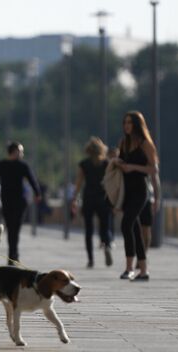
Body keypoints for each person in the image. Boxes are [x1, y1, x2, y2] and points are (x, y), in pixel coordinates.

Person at [111, 111, 160, 281]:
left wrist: (133, 167)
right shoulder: (123, 143)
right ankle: (143, 270)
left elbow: (154, 170)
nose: (126, 126)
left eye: (130, 123)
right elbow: (120, 162)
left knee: (127, 224)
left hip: (140, 190)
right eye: (125, 122)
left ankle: (129, 267)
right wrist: (117, 162)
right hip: (127, 190)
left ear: (137, 125)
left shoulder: (145, 143)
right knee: (133, 227)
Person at [71, 136, 113, 269]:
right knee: (104, 226)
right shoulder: (106, 163)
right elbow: (111, 181)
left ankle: (90, 259)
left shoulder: (84, 164)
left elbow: (78, 183)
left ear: (88, 150)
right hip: (103, 198)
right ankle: (106, 244)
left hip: (89, 198)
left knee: (88, 230)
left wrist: (74, 199)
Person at [0, 142, 41, 265]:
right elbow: (32, 180)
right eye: (21, 151)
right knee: (14, 229)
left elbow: (31, 179)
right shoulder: (21, 166)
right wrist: (37, 193)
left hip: (11, 201)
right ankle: (13, 255)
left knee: (12, 229)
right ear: (15, 151)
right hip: (15, 201)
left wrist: (37, 192)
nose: (22, 154)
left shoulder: (0, 165)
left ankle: (13, 255)